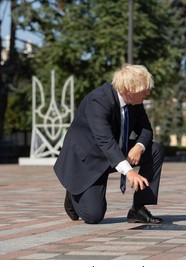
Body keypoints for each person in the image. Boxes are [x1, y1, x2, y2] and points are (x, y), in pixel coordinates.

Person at [54, 64, 164, 224]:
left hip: (113, 151)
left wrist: (139, 147)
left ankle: (138, 209)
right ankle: (74, 192)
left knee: (155, 150)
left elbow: (146, 130)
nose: (148, 92)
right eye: (145, 89)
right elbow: (105, 141)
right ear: (129, 90)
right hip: (87, 159)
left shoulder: (135, 101)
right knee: (93, 216)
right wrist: (130, 172)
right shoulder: (98, 101)